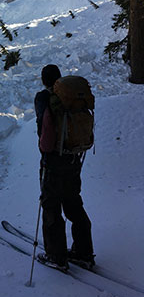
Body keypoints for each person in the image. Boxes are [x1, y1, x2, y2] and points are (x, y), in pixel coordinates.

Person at [33, 64, 94, 270]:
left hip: (54, 161)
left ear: (44, 80)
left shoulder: (44, 98)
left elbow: (46, 131)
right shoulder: (71, 100)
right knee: (73, 202)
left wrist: (45, 153)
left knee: (51, 206)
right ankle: (84, 252)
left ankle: (56, 256)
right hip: (74, 159)